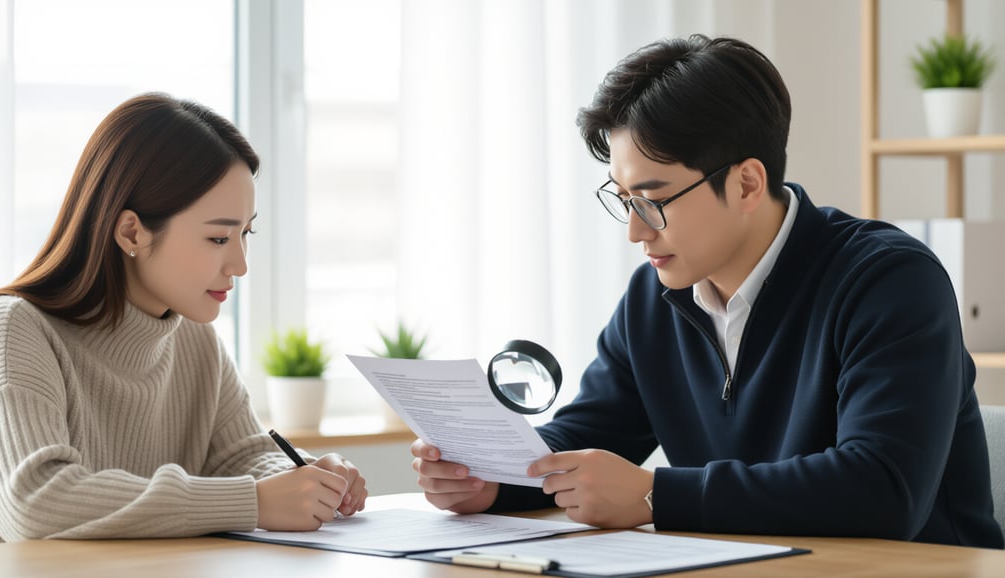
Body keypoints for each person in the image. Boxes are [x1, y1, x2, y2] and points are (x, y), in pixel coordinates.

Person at [411, 34, 1004, 548]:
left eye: (653, 200)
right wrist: (493, 478)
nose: (635, 231)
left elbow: (882, 489)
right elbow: (590, 434)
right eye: (623, 199)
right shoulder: (654, 298)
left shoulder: (888, 281)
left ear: (746, 184)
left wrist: (654, 495)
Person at [0, 93, 367, 545]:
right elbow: (33, 502)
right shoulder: (13, 330)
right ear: (132, 232)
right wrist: (255, 501)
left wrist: (306, 478)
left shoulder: (196, 340)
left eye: (246, 233)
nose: (240, 264)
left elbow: (240, 458)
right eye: (219, 238)